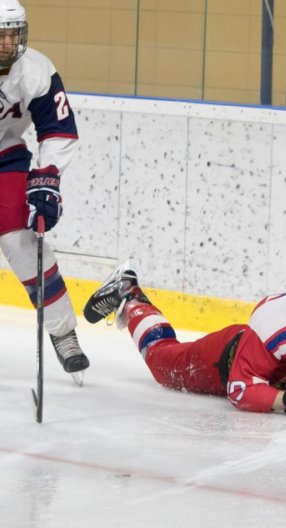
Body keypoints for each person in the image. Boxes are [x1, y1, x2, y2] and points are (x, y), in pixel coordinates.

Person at [82, 254, 286, 422]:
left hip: (276, 369)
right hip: (225, 359)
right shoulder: (277, 323)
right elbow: (239, 389)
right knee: (163, 363)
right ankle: (130, 295)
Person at [0, 0, 89, 377]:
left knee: (20, 241)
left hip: (4, 153)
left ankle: (62, 331)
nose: (7, 43)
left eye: (12, 35)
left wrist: (46, 179)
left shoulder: (35, 70)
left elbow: (57, 129)